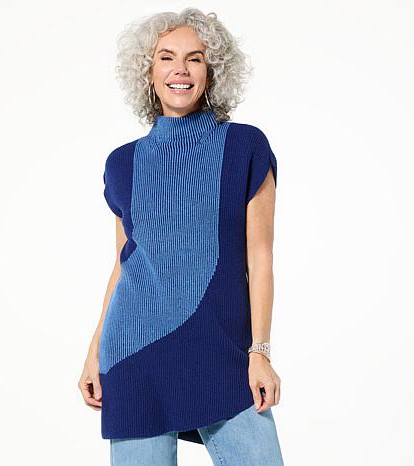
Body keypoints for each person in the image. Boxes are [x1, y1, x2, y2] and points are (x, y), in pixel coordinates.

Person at [78, 8, 284, 466]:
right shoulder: (122, 163)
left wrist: (260, 351)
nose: (181, 70)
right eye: (166, 57)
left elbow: (260, 258)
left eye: (195, 58)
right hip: (134, 353)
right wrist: (94, 352)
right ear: (148, 72)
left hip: (222, 351)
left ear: (212, 71)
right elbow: (124, 265)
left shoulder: (245, 146)